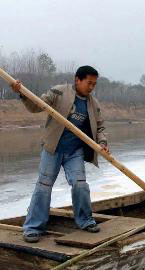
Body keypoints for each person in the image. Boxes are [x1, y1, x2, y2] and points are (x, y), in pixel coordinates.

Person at [11, 66, 110, 243]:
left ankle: (86, 221)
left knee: (80, 185)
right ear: (77, 80)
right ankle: (33, 227)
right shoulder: (58, 92)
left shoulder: (93, 104)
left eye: (94, 84)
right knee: (44, 186)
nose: (91, 87)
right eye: (89, 83)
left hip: (75, 152)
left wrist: (102, 143)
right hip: (53, 149)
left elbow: (100, 127)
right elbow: (36, 105)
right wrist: (23, 94)